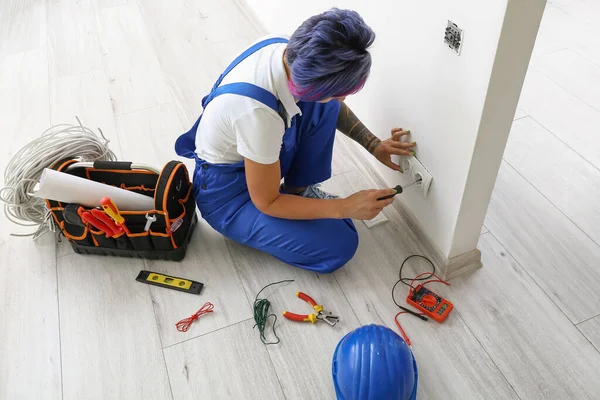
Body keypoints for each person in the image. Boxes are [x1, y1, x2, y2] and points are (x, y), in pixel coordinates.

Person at [175, 8, 415, 273]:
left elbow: (328, 104)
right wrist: (345, 207)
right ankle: (269, 216)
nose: (344, 99)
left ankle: (298, 193)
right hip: (227, 197)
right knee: (340, 244)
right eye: (339, 93)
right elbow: (267, 202)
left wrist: (374, 145)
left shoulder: (288, 51)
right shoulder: (257, 114)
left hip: (255, 155)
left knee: (323, 106)